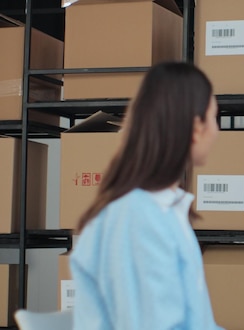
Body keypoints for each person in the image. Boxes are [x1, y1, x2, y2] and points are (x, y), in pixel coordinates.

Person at [70, 62, 223, 330]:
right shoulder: (136, 221)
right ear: (196, 127)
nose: (217, 131)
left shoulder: (159, 210)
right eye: (214, 117)